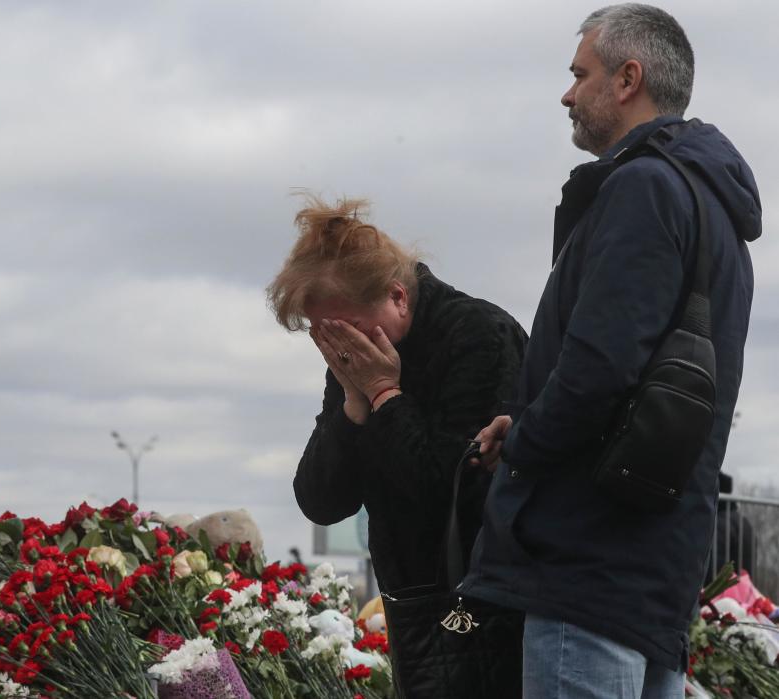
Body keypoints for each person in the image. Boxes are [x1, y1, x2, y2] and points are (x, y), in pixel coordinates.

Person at [460, 5, 761, 698]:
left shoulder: (644, 187)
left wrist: (525, 442)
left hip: (588, 556)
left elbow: (599, 368)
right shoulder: (715, 210)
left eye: (579, 74)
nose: (567, 93)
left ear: (628, 78)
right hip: (654, 559)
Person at [268, 195, 527, 694]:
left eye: (349, 329)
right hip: (413, 603)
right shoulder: (357, 357)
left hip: (490, 608)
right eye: (324, 336)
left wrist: (387, 395)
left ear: (398, 296)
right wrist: (352, 405)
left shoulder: (479, 336)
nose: (342, 348)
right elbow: (320, 501)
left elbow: (447, 489)